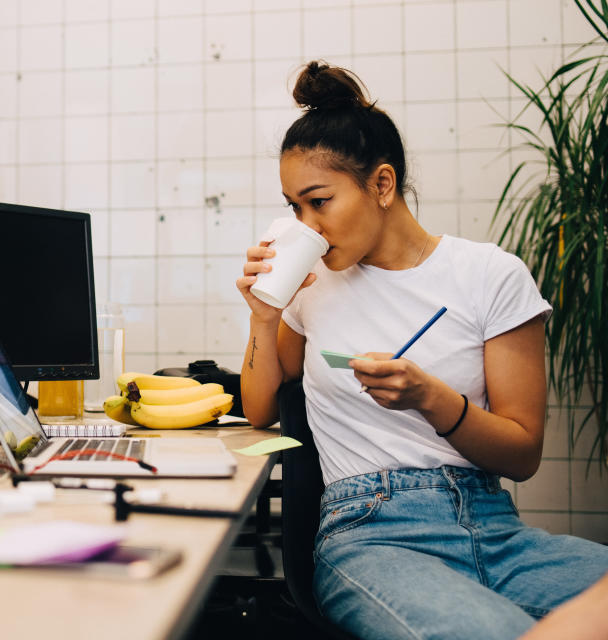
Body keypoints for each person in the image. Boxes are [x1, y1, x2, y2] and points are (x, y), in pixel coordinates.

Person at [237, 60, 608, 640]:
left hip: (496, 529)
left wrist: (433, 399)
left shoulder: (491, 275)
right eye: (294, 208)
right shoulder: (313, 288)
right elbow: (259, 409)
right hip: (372, 534)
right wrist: (264, 317)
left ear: (381, 185)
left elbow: (522, 455)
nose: (306, 226)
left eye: (319, 202)